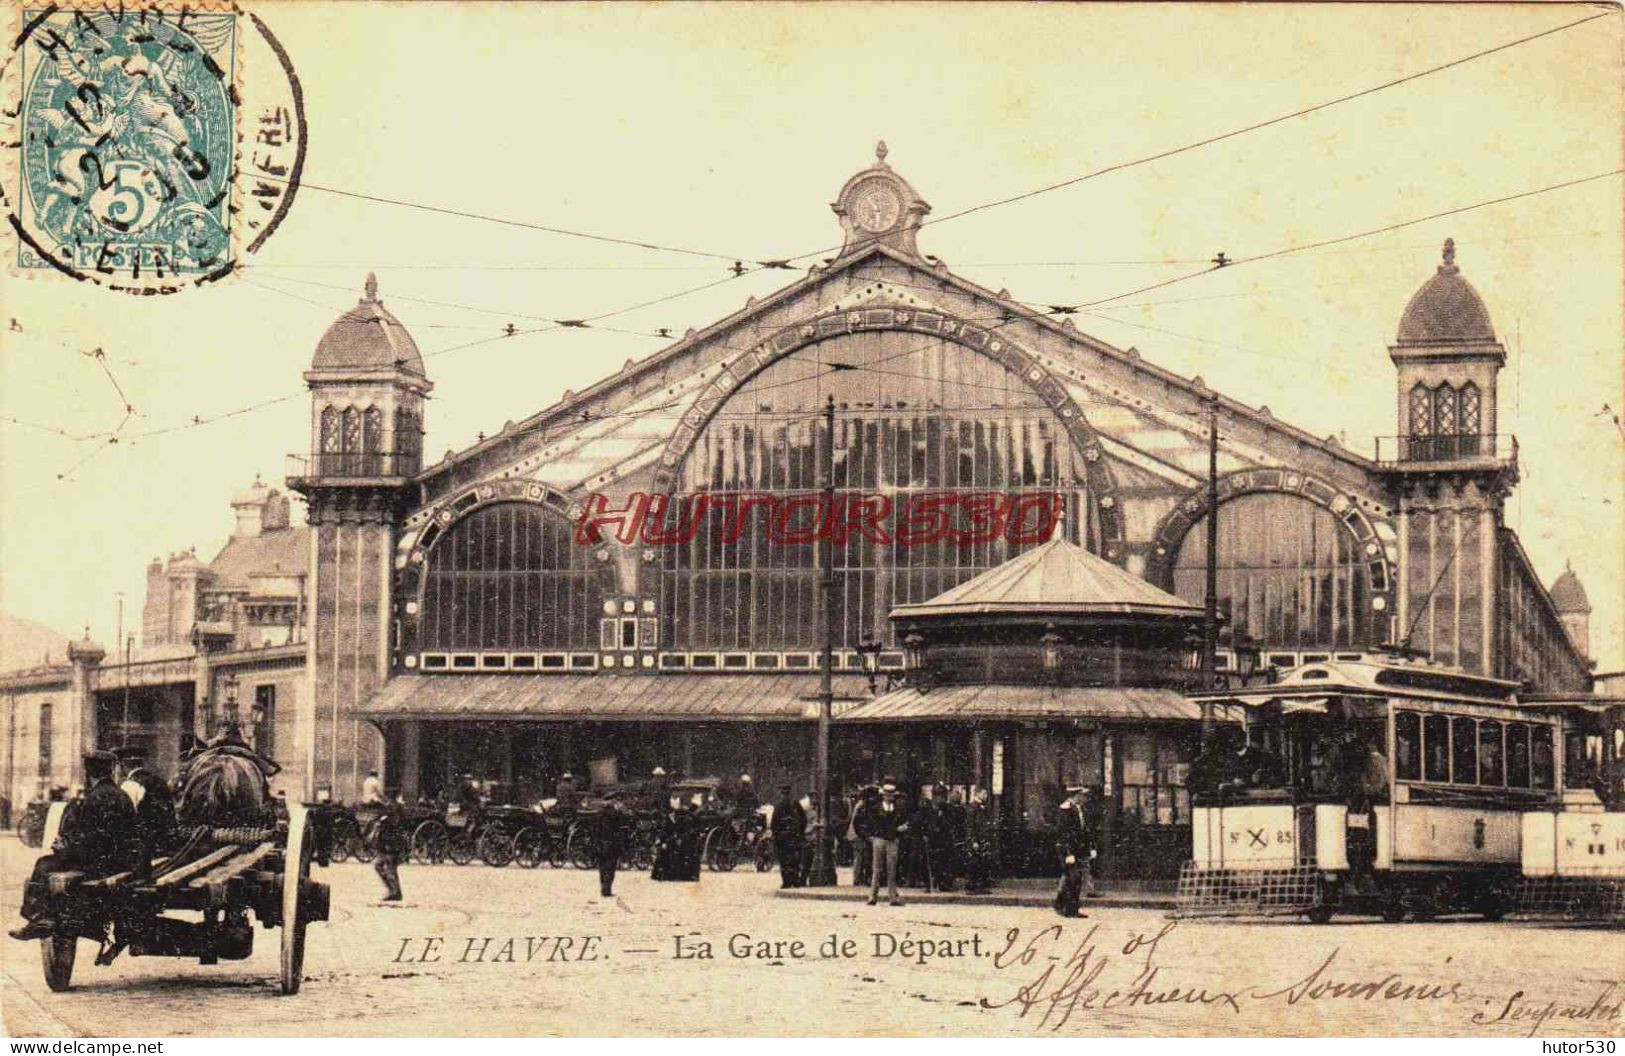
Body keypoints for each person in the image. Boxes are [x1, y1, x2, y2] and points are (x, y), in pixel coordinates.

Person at [10, 751, 142, 940]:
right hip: (121, 862)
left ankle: (40, 918)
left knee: (44, 865)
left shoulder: (92, 799)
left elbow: (88, 842)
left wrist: (63, 848)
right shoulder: (122, 796)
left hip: (97, 865)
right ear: (110, 771)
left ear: (88, 772)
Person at [114, 745, 177, 868]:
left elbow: (126, 819)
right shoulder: (160, 782)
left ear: (122, 765)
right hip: (165, 846)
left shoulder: (129, 785)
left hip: (143, 851)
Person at [1053, 785, 1097, 919]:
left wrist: (1091, 848)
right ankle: (1068, 908)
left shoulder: (1080, 808)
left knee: (1073, 880)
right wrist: (1068, 853)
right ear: (1076, 795)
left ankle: (1064, 906)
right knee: (1073, 879)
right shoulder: (1066, 810)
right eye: (1082, 795)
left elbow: (1085, 831)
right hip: (1070, 851)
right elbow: (1064, 834)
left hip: (1080, 849)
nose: (1085, 798)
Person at [867, 781, 909, 907]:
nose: (889, 797)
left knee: (892, 869)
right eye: (887, 795)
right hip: (880, 839)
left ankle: (892, 897)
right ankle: (872, 896)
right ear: (883, 796)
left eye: (891, 795)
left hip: (893, 840)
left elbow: (905, 822)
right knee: (877, 869)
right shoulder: (876, 808)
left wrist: (903, 827)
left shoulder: (898, 809)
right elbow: (872, 823)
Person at [587, 796, 632, 897]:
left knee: (602, 867)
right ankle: (607, 888)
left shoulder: (598, 814)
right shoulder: (616, 814)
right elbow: (622, 827)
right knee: (610, 867)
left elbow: (593, 829)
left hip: (600, 843)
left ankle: (603, 887)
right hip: (612, 843)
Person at [651, 796, 702, 882]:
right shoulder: (686, 816)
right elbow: (667, 829)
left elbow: (668, 830)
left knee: (676, 854)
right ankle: (682, 875)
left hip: (681, 840)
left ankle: (673, 874)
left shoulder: (684, 817)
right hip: (678, 840)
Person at [770, 784, 807, 889]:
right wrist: (800, 832)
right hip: (794, 836)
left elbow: (774, 823)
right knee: (795, 860)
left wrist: (776, 835)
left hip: (783, 837)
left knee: (784, 860)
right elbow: (803, 820)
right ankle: (795, 880)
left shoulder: (779, 805)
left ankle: (787, 881)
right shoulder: (795, 804)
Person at [964, 786, 996, 894]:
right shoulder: (973, 807)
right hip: (976, 840)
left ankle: (979, 886)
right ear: (978, 794)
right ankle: (971, 886)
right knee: (974, 863)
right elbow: (970, 826)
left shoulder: (981, 807)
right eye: (984, 794)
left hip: (982, 839)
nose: (986, 796)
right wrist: (973, 840)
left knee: (981, 863)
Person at [373, 799, 406, 902]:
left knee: (389, 869)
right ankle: (394, 891)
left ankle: (395, 892)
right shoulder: (388, 817)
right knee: (382, 866)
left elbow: (394, 833)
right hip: (386, 847)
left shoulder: (393, 818)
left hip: (391, 847)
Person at [849, 785, 878, 887]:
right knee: (861, 857)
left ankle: (859, 878)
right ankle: (858, 879)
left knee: (861, 857)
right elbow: (856, 822)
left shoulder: (862, 804)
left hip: (857, 834)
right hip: (857, 835)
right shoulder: (862, 805)